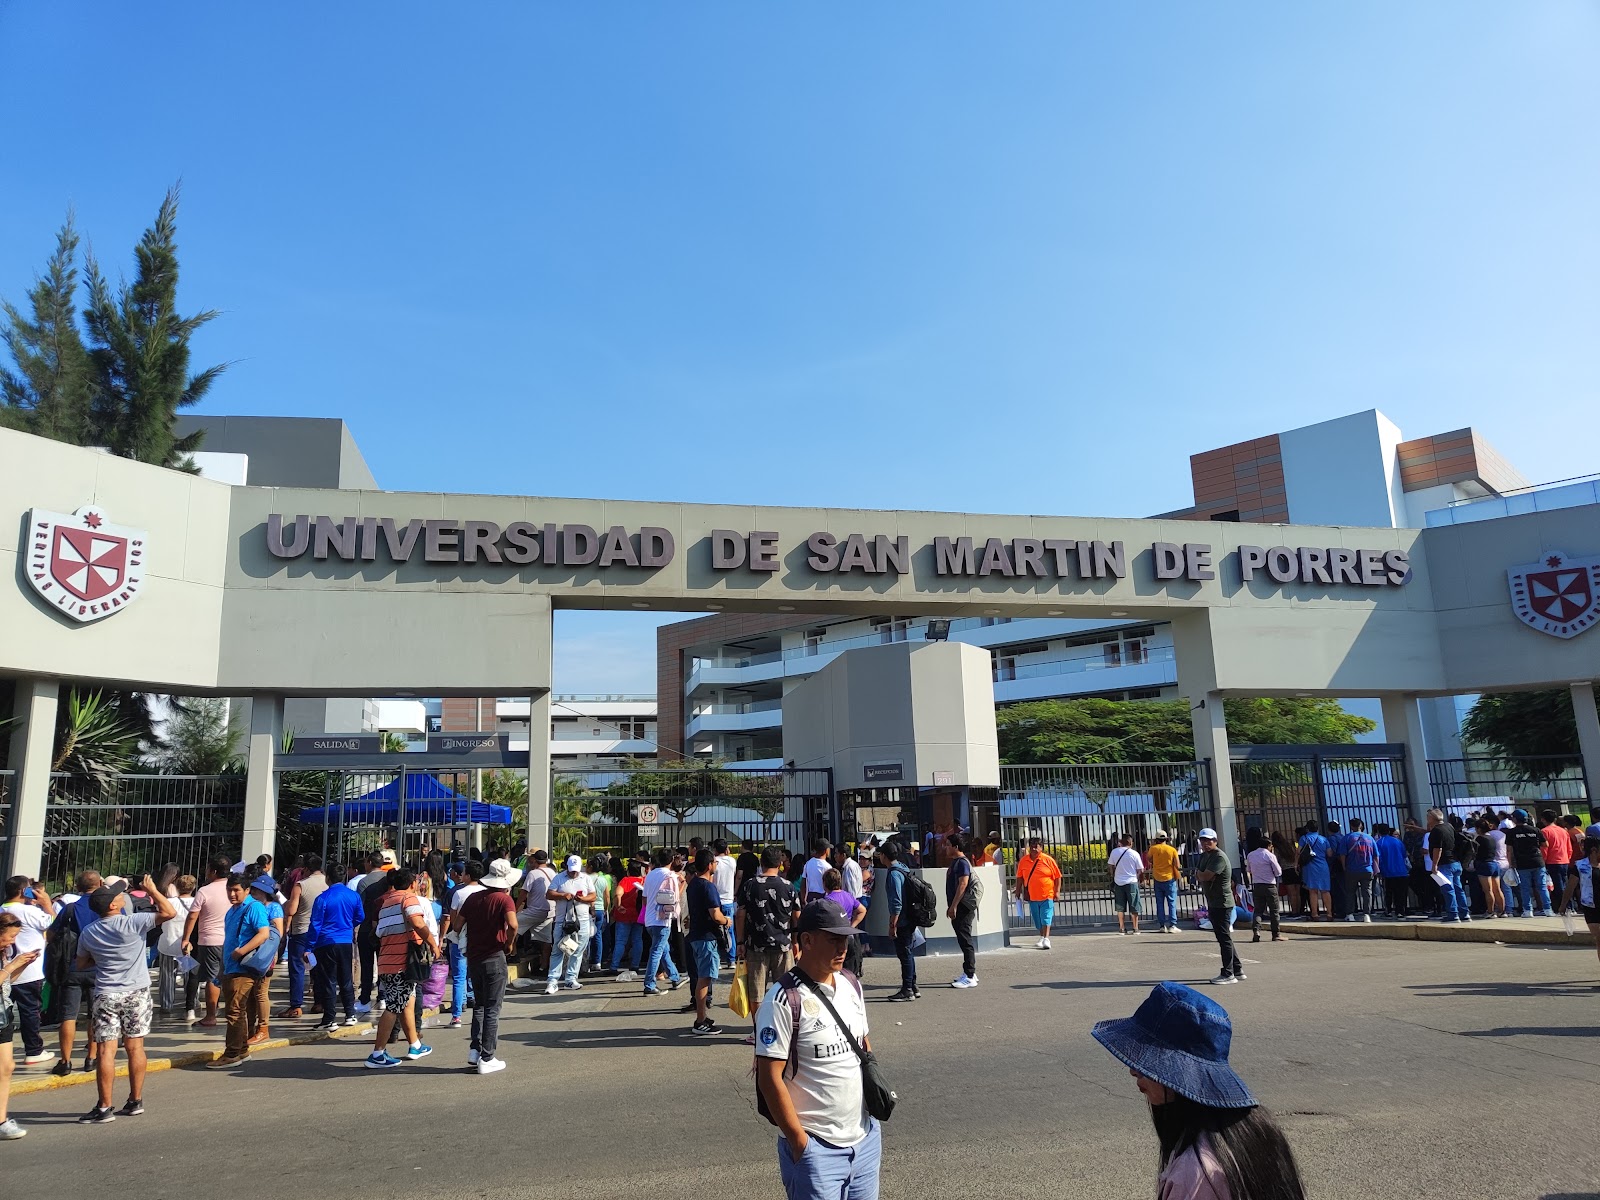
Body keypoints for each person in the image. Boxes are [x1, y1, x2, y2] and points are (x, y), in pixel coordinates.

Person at [1091, 982, 1307, 1200]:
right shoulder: (1254, 1127)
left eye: (1145, 1062)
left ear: (1175, 1072)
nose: (1133, 1071)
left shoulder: (1195, 1173)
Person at [754, 899, 882, 1200]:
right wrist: (800, 1144)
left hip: (864, 1141)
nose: (844, 948)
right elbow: (769, 1077)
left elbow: (864, 1045)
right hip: (816, 1148)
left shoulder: (851, 984)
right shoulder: (783, 999)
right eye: (833, 939)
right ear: (807, 940)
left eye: (846, 939)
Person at [74, 876, 176, 1121]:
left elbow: (81, 962)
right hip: (136, 992)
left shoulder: (89, 932)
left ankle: (104, 1106)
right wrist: (153, 889)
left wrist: (101, 958)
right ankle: (135, 1100)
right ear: (112, 905)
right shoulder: (134, 923)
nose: (123, 896)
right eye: (118, 895)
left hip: (106, 993)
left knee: (105, 1051)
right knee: (135, 1047)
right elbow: (169, 912)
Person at [364, 869, 437, 1068]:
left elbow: (379, 932)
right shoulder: (409, 899)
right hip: (402, 963)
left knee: (407, 1001)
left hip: (387, 961)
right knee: (395, 1006)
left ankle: (415, 1044)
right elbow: (417, 922)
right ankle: (377, 1053)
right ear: (412, 883)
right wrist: (433, 943)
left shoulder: (387, 902)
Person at [457, 858, 519, 1074]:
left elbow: (457, 924)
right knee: (493, 1007)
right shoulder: (504, 900)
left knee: (480, 1006)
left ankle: (475, 1050)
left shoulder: (473, 898)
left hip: (474, 956)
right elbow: (513, 924)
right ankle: (487, 1056)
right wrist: (509, 943)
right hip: (495, 955)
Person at [737, 845, 799, 1046]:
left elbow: (741, 914)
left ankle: (758, 1030)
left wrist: (740, 941)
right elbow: (797, 915)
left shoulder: (749, 885)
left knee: (757, 991)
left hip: (756, 944)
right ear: (780, 864)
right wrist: (796, 941)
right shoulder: (789, 886)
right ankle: (786, 1027)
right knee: (787, 990)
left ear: (761, 863)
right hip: (783, 945)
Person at [211, 873, 272, 1070]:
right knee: (237, 1010)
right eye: (229, 890)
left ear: (247, 890)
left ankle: (232, 1054)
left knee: (235, 1011)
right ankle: (242, 1050)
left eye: (236, 890)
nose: (232, 894)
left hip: (243, 968)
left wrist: (241, 951)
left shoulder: (253, 907)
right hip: (230, 967)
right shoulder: (232, 911)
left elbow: (264, 933)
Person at [47, 869, 103, 1075]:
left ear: (78, 887)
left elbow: (51, 934)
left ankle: (65, 1060)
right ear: (100, 884)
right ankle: (91, 1057)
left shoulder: (71, 908)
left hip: (72, 966)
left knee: (68, 1015)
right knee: (94, 1014)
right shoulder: (105, 907)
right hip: (98, 967)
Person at [1, 875, 55, 1066]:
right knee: (30, 1011)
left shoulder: (2, 909)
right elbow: (52, 922)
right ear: (24, 891)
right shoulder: (28, 911)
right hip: (28, 971)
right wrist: (46, 902)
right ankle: (33, 1050)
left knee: (4, 1011)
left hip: (6, 971)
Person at [307, 860, 366, 1031]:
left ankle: (329, 1018)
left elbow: (315, 924)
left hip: (326, 942)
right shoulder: (353, 896)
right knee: (346, 978)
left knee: (328, 981)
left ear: (328, 878)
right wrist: (348, 925)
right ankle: (350, 1014)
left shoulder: (323, 898)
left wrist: (309, 946)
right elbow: (360, 917)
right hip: (345, 941)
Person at [1, 911, 44, 1138]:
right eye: (9, 937)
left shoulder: (5, 954)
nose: (12, 941)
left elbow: (7, 982)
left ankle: (1, 1121)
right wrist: (11, 966)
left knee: (6, 1067)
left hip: (3, 1013)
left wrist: (22, 966)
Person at [181, 855, 233, 1028]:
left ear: (214, 871)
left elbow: (193, 915)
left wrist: (186, 938)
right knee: (230, 976)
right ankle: (233, 1011)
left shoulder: (205, 890)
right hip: (231, 940)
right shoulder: (234, 889)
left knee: (212, 978)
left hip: (209, 940)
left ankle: (211, 1015)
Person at [685, 848, 731, 1035]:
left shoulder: (693, 884)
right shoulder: (707, 886)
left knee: (701, 978)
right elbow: (716, 915)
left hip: (696, 934)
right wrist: (727, 920)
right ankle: (700, 1019)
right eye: (715, 862)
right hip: (706, 937)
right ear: (710, 865)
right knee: (704, 978)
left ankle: (702, 1016)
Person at [278, 853, 327, 1020]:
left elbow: (291, 910)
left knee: (298, 968)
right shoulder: (328, 883)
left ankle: (296, 1006)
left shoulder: (300, 885)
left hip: (301, 930)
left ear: (306, 868)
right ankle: (319, 1001)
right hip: (321, 931)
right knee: (319, 968)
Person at [1195, 829, 1244, 985]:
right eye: (1203, 840)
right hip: (1213, 902)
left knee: (1224, 939)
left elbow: (1206, 875)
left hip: (1222, 903)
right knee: (1224, 937)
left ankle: (1228, 973)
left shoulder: (1219, 857)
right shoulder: (1204, 856)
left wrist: (1201, 875)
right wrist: (1201, 874)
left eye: (1209, 840)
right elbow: (1199, 873)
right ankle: (1237, 969)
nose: (1205, 843)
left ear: (1215, 841)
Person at [440, 860, 485, 1027]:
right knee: (477, 973)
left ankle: (457, 1015)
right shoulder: (486, 891)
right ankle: (476, 1003)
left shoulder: (458, 893)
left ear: (467, 875)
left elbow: (452, 918)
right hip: (481, 938)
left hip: (460, 938)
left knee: (459, 977)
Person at [544, 855, 596, 995]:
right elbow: (549, 894)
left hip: (582, 920)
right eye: (571, 870)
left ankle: (571, 979)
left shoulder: (585, 878)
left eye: (576, 870)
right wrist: (562, 896)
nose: (574, 873)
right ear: (566, 866)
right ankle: (552, 981)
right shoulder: (559, 878)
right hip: (563, 920)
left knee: (578, 950)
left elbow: (593, 895)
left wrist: (582, 899)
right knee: (558, 949)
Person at [640, 847, 685, 996]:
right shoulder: (670, 876)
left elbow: (645, 899)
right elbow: (673, 899)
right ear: (672, 860)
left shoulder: (651, 875)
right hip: (662, 920)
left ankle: (675, 977)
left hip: (650, 918)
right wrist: (682, 886)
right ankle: (649, 984)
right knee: (657, 951)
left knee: (663, 949)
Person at [879, 841, 920, 1002]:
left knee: (904, 954)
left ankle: (907, 989)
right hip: (910, 917)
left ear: (884, 856)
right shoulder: (903, 867)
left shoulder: (893, 874)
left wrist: (892, 925)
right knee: (908, 952)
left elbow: (896, 902)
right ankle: (913, 986)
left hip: (902, 920)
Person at [944, 834, 980, 987]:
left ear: (956, 847)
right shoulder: (956, 863)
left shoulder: (962, 863)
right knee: (962, 938)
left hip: (963, 907)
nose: (945, 847)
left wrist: (954, 906)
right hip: (960, 906)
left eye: (947, 844)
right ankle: (969, 972)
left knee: (965, 939)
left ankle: (970, 976)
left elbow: (963, 885)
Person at [1015, 836, 1062, 950]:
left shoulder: (1048, 860)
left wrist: (1057, 892)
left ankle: (1046, 938)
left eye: (1037, 847)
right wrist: (1017, 891)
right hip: (1032, 896)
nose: (1034, 849)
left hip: (1047, 894)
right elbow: (1020, 877)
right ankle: (1041, 936)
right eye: (1032, 847)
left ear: (1041, 848)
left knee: (1046, 917)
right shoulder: (1024, 861)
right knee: (1037, 918)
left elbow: (1057, 877)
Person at [1559, 836, 1600, 968]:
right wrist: (1563, 905)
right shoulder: (1580, 866)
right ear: (1594, 850)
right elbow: (1570, 887)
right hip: (1591, 907)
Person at [516, 850, 556, 982]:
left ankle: (512, 953)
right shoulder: (552, 872)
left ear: (534, 860)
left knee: (512, 925)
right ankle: (544, 967)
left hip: (534, 911)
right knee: (546, 940)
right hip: (550, 911)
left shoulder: (533, 873)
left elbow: (523, 893)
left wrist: (514, 910)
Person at [1505, 809, 1549, 917]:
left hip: (1522, 862)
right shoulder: (1535, 830)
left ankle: (1528, 910)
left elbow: (1509, 850)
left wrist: (1510, 864)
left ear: (1515, 819)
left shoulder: (1511, 832)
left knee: (1525, 887)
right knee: (1542, 886)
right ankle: (1548, 909)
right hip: (1538, 861)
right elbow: (1546, 844)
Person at [609, 859, 646, 979]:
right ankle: (635, 965)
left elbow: (618, 893)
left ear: (628, 871)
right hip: (639, 914)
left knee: (620, 941)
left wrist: (618, 905)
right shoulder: (643, 881)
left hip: (623, 914)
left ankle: (614, 966)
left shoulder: (625, 881)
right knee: (637, 940)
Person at [1244, 830, 1282, 943]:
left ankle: (1256, 930)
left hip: (1257, 885)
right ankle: (1276, 934)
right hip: (1270, 885)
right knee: (1274, 911)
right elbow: (1278, 872)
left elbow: (1248, 870)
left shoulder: (1251, 855)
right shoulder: (1270, 855)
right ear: (1269, 846)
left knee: (1258, 910)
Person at [1339, 819, 1377, 923]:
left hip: (1352, 869)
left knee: (1350, 892)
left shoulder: (1346, 838)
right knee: (1367, 892)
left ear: (1351, 826)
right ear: (1361, 825)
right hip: (1367, 869)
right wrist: (1375, 868)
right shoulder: (1370, 838)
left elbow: (1342, 854)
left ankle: (1350, 914)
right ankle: (1366, 915)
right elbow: (1376, 855)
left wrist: (1344, 867)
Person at [1108, 833, 1145, 935]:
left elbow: (1110, 866)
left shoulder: (1114, 852)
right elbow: (1140, 869)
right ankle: (1135, 928)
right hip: (1131, 882)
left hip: (1118, 882)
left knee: (1120, 907)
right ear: (1130, 842)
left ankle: (1122, 928)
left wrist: (1113, 875)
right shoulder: (1134, 854)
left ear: (1121, 842)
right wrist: (1136, 876)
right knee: (1134, 905)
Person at [1296, 822, 1331, 922]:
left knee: (1313, 891)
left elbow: (1298, 852)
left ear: (1307, 829)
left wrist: (1296, 864)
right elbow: (1329, 853)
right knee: (1325, 891)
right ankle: (1329, 913)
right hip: (1323, 866)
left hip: (1310, 866)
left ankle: (1315, 914)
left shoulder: (1304, 838)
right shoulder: (1323, 839)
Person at [1539, 809, 1573, 912]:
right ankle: (1569, 906)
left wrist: (1543, 861)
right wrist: (1568, 858)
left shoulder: (1544, 831)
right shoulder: (1563, 831)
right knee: (1565, 884)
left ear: (1543, 820)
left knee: (1557, 886)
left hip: (1552, 861)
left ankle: (1565, 907)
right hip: (1565, 860)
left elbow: (1544, 849)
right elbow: (1569, 848)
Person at [1471, 819, 1506, 918]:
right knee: (1497, 889)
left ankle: (1490, 911)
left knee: (1488, 890)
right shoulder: (1491, 838)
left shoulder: (1479, 839)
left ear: (1478, 828)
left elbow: (1475, 852)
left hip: (1484, 864)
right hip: (1494, 863)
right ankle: (1502, 911)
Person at [1148, 830, 1181, 934]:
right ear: (1166, 839)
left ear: (1156, 839)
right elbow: (1177, 865)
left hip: (1157, 878)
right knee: (1172, 902)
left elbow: (1149, 859)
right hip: (1169, 878)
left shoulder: (1153, 849)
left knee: (1160, 903)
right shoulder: (1172, 850)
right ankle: (1172, 925)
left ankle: (1162, 925)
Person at [587, 852, 614, 975]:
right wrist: (605, 909)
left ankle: (585, 961)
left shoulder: (585, 878)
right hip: (599, 910)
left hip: (587, 909)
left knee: (586, 936)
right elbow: (607, 897)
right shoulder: (603, 880)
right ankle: (597, 961)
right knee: (598, 935)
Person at [1374, 825, 1410, 918]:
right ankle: (1400, 911)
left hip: (1388, 872)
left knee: (1389, 893)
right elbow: (1404, 855)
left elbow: (1378, 858)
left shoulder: (1379, 843)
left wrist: (1378, 871)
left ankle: (1388, 911)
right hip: (1402, 871)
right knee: (1400, 893)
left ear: (1379, 832)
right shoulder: (1398, 841)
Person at [800, 837, 832, 902]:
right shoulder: (828, 867)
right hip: (823, 898)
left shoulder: (808, 864)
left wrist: (803, 900)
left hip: (810, 897)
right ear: (826, 851)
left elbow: (803, 883)